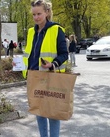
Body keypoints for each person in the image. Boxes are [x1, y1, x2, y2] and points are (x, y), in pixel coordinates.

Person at [13, 0, 68, 137]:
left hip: (50, 76)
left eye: (39, 14)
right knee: (39, 111)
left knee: (52, 112)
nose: (36, 17)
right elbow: (29, 54)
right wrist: (19, 65)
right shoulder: (31, 31)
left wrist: (53, 64)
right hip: (34, 76)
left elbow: (64, 54)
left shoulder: (56, 29)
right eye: (34, 14)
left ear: (47, 12)